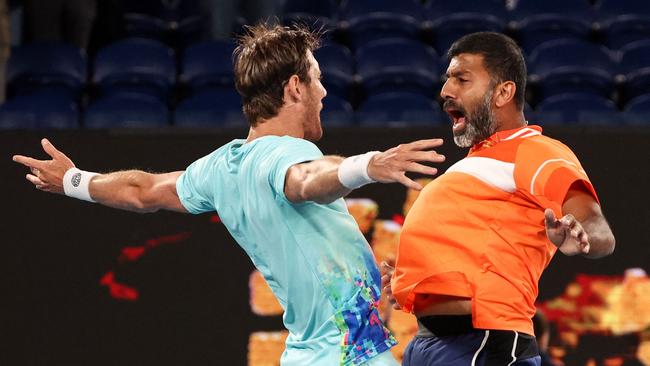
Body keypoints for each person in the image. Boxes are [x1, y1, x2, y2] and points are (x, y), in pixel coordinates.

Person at [12, 24, 447, 366]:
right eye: (317, 79)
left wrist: (73, 179)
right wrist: (366, 164)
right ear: (295, 87)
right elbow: (306, 179)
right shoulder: (290, 153)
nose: (325, 91)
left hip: (309, 354)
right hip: (346, 356)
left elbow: (143, 190)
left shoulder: (223, 166)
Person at [381, 32, 616, 365]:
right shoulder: (474, 164)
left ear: (504, 92)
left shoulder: (533, 151)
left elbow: (598, 230)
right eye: (448, 79)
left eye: (461, 79)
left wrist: (578, 238)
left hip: (484, 343)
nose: (445, 91)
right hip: (431, 344)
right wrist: (413, 281)